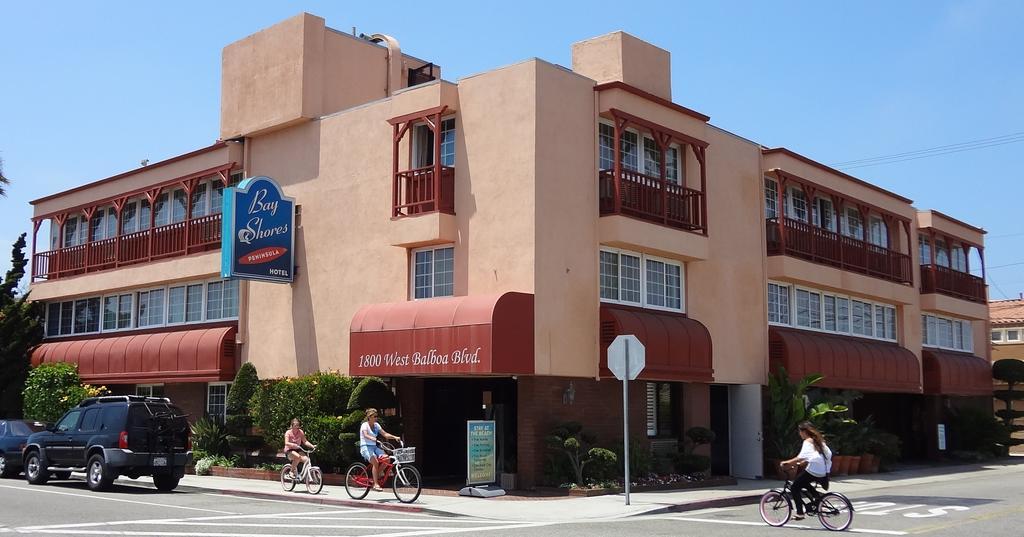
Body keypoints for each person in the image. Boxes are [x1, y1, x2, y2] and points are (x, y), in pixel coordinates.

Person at [780, 421, 832, 520]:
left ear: (804, 432)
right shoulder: (819, 440)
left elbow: (800, 457)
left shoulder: (808, 441)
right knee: (803, 482)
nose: (799, 434)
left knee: (795, 487)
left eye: (799, 432)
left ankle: (800, 513)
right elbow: (817, 456)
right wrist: (801, 463)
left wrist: (786, 463)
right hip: (823, 471)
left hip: (815, 470)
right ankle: (818, 499)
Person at [360, 408, 400, 492]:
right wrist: (372, 438)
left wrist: (395, 437)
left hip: (374, 447)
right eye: (374, 416)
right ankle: (375, 484)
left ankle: (376, 474)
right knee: (375, 462)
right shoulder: (364, 425)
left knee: (387, 459)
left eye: (376, 416)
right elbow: (365, 435)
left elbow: (385, 434)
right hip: (365, 447)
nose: (376, 418)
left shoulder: (376, 425)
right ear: (369, 417)